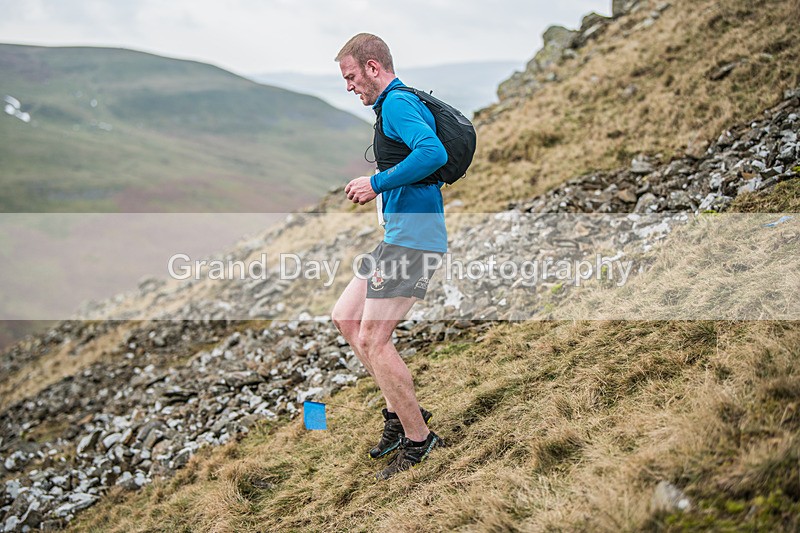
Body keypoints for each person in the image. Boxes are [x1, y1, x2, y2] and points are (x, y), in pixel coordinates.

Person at [330, 33, 447, 480]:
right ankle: (399, 412)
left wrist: (375, 184)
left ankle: (420, 439)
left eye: (352, 76)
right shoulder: (390, 109)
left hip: (414, 241)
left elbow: (432, 153)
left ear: (373, 67)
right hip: (397, 236)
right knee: (345, 317)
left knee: (373, 340)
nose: (349, 86)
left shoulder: (397, 104)